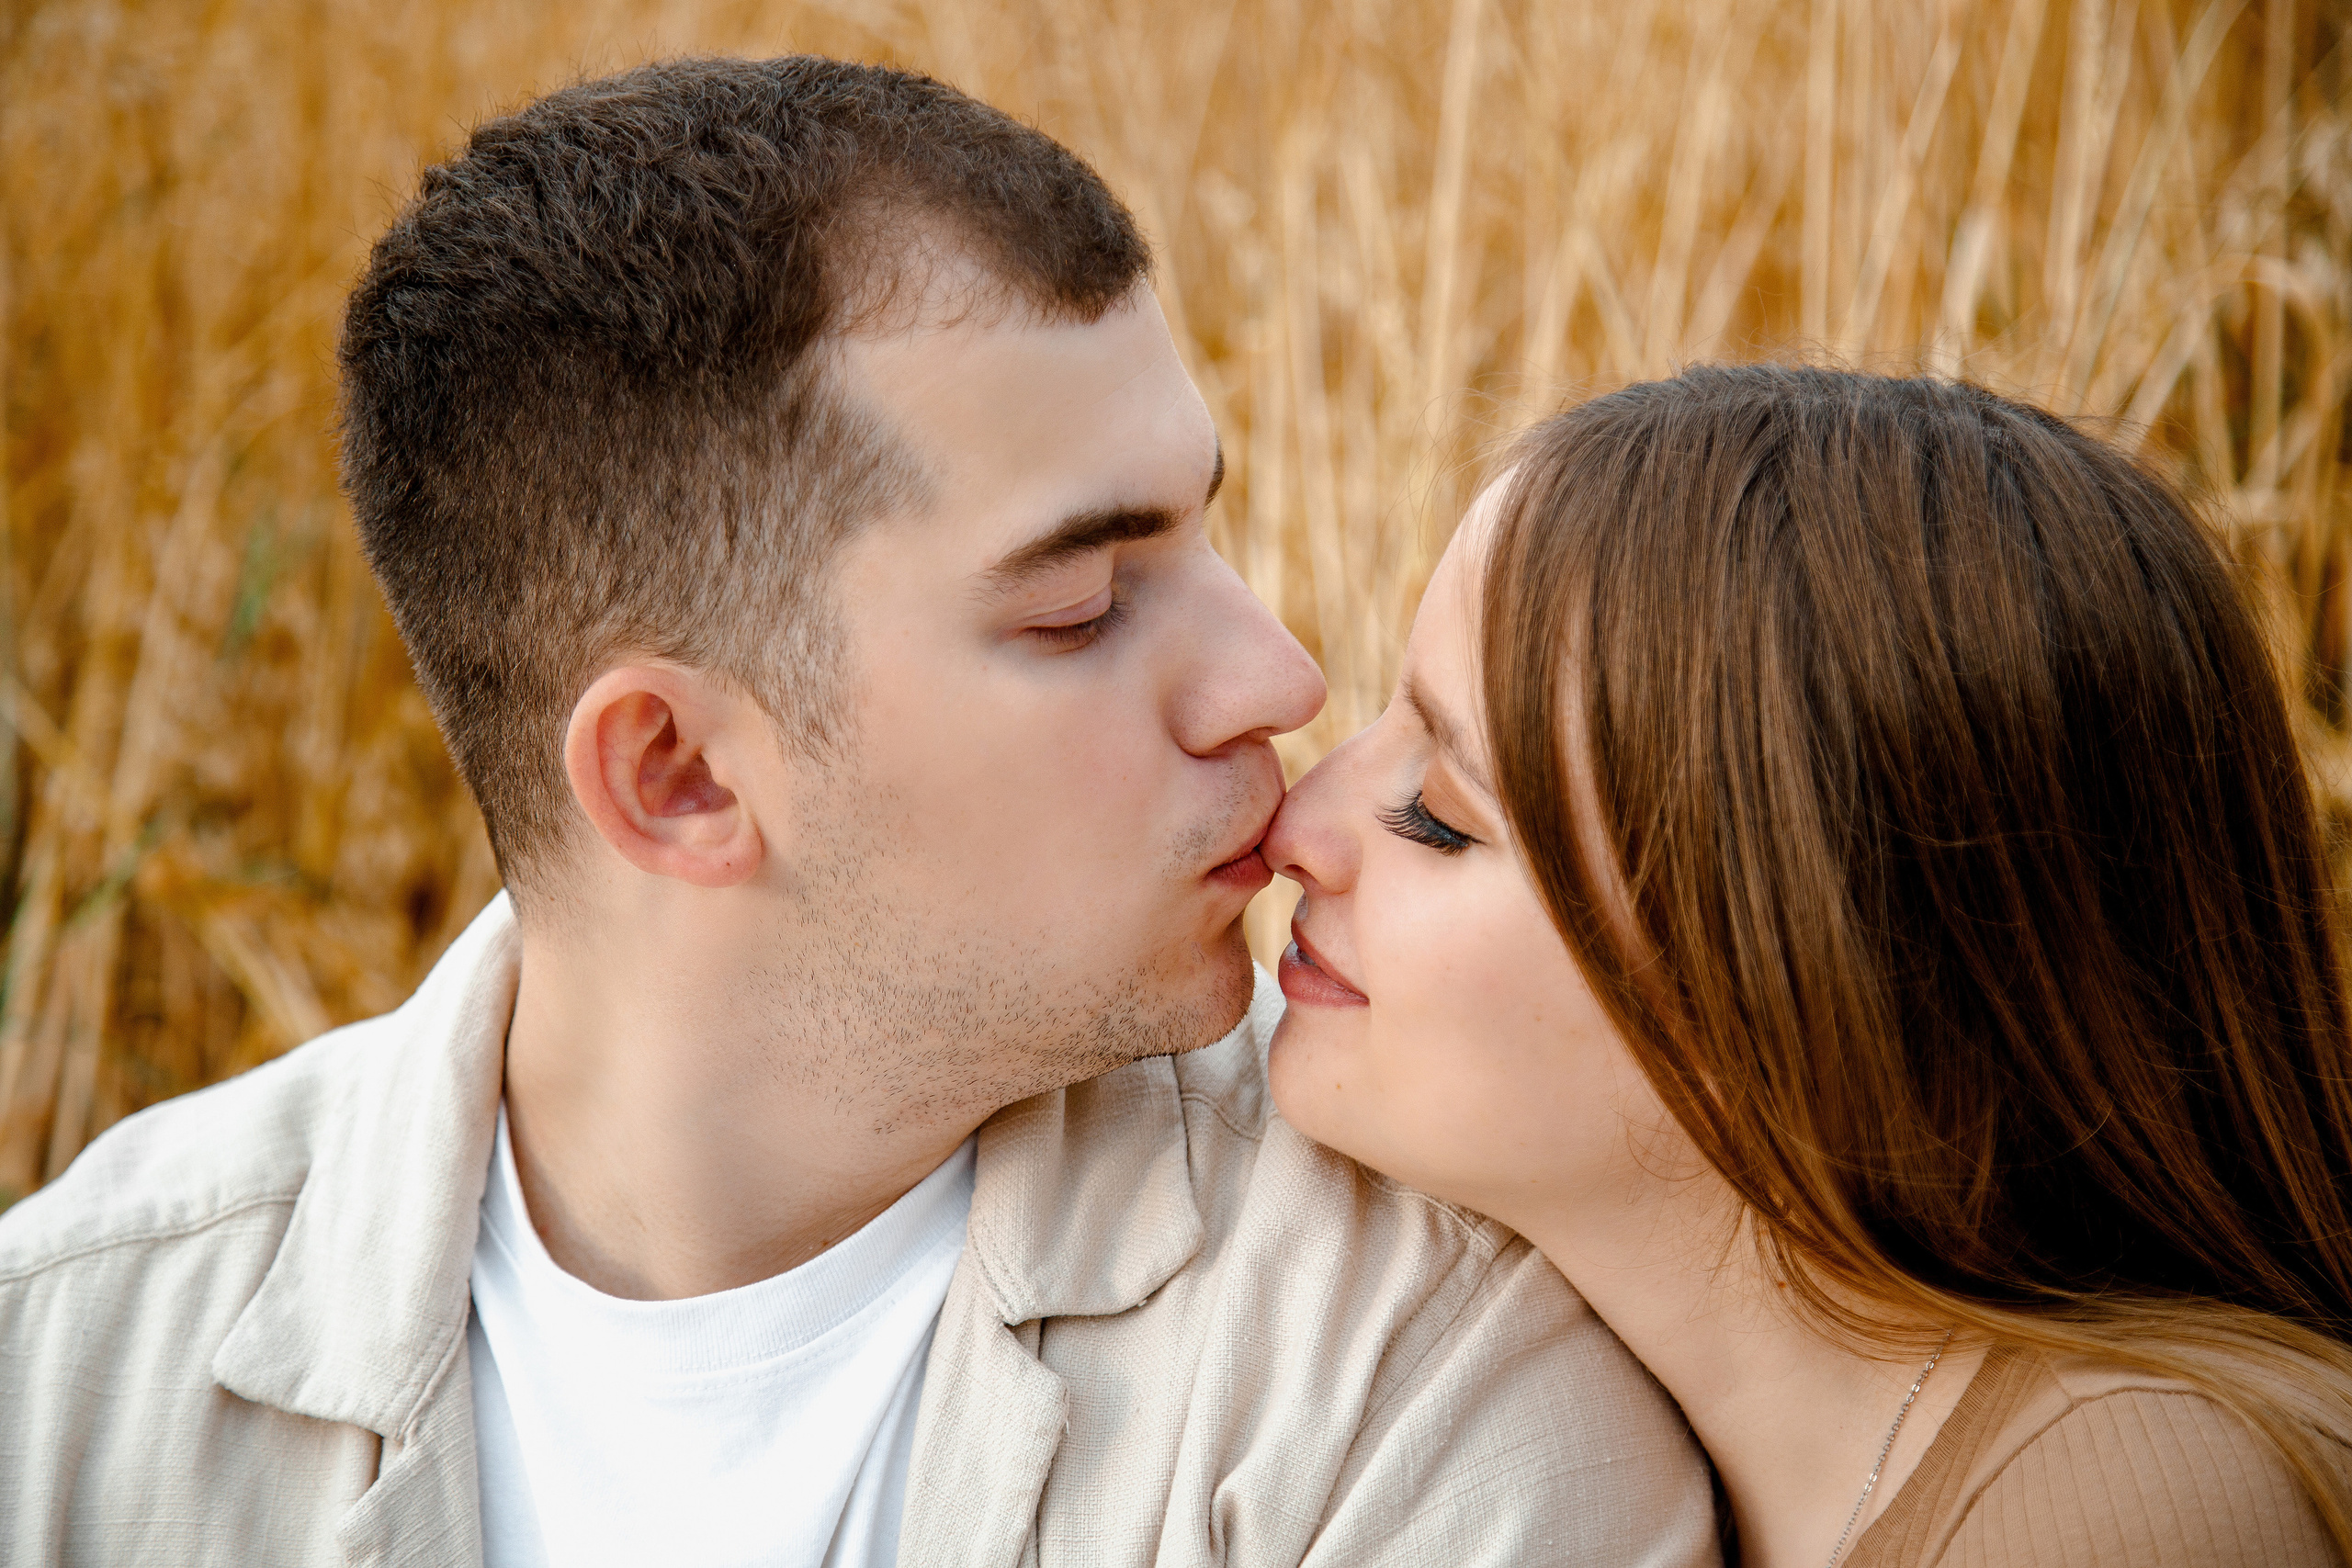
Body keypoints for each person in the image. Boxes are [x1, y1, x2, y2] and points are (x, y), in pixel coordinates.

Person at [0, 55, 1718, 1568]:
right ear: (677, 777)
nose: (1277, 677)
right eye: (1080, 609)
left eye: (1202, 529)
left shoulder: (1412, 1363)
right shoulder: (63, 1378)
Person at [1264, 365, 2352, 1568]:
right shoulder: (1603, 1466)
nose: (1294, 825)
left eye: (1438, 813)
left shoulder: (2141, 1506)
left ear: (1792, 977)